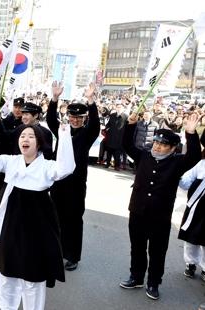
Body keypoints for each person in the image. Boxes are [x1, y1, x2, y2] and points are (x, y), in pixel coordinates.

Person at [0, 115, 75, 310]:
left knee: (33, 276)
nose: (25, 139)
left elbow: (66, 168)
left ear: (39, 143)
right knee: (6, 273)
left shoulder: (47, 166)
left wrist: (64, 135)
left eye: (31, 136)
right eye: (22, 136)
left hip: (37, 225)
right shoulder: (11, 161)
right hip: (9, 222)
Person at [119, 112, 202, 300]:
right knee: (137, 247)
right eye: (156, 142)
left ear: (173, 148)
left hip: (160, 217)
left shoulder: (177, 162)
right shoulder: (143, 156)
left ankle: (154, 283)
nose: (158, 146)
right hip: (137, 211)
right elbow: (127, 145)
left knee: (157, 251)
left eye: (163, 144)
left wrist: (191, 133)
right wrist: (130, 125)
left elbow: (195, 156)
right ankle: (137, 277)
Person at [46, 82, 100, 271]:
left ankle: (72, 256)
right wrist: (54, 99)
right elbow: (51, 120)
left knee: (74, 220)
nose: (75, 120)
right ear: (67, 117)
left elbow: (96, 125)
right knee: (55, 218)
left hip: (76, 185)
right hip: (58, 182)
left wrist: (91, 101)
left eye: (79, 117)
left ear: (84, 118)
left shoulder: (87, 134)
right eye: (72, 116)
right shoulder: (63, 132)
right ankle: (55, 251)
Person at [178, 157, 205, 281]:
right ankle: (191, 264)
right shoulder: (201, 164)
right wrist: (176, 175)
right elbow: (186, 181)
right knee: (191, 236)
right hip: (196, 208)